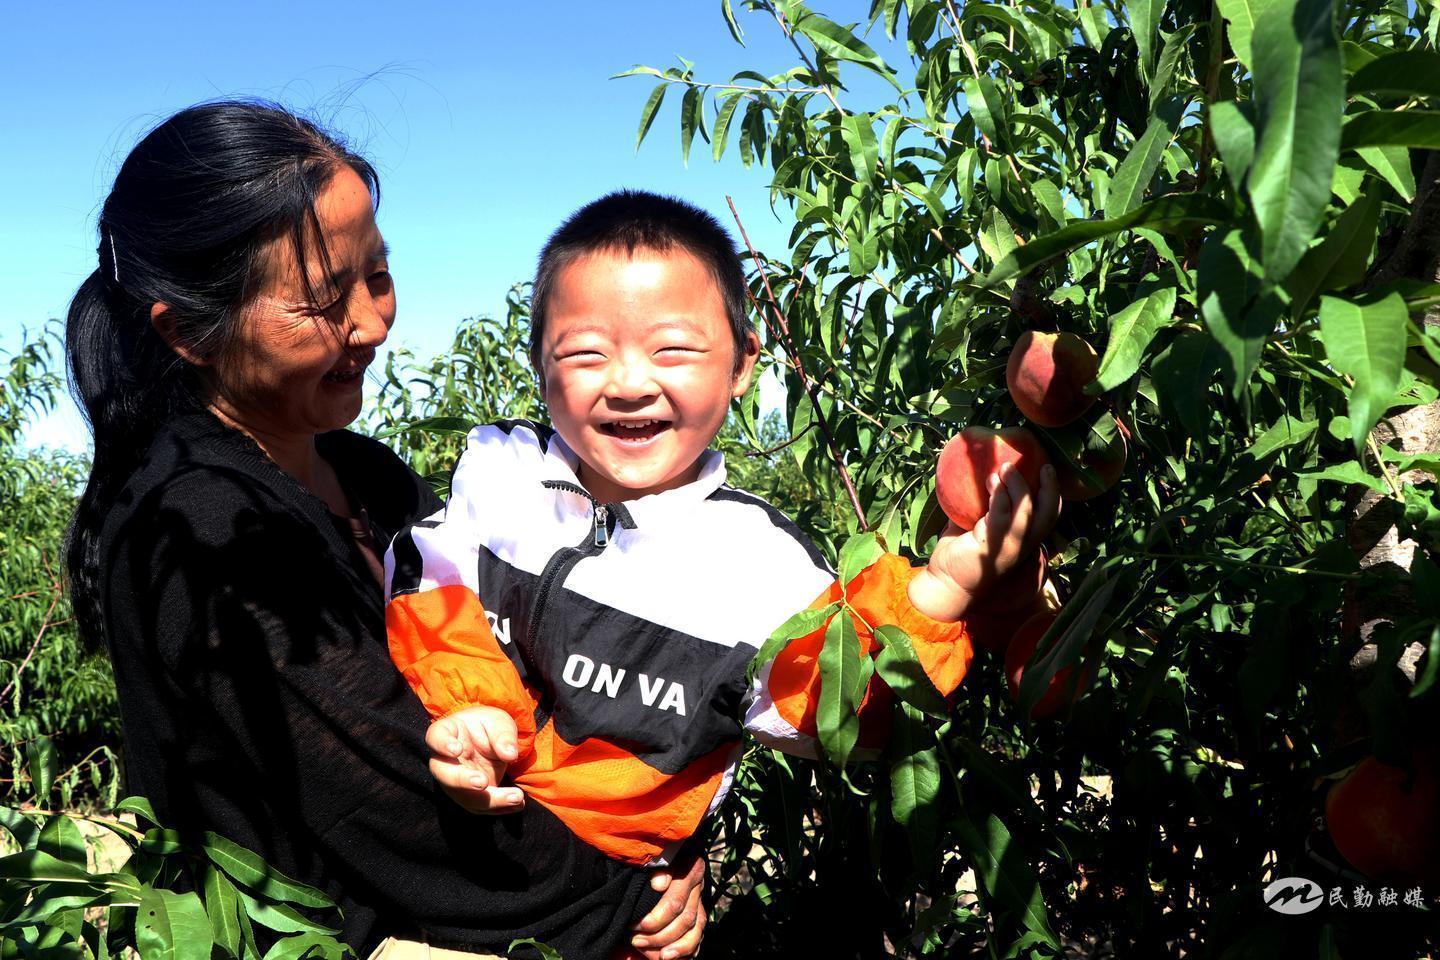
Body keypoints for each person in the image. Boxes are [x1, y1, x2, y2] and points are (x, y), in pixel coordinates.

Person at [64, 101, 705, 959]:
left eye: (377, 273)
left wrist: (656, 845)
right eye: (326, 300)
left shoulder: (364, 476)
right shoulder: (207, 534)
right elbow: (397, 811)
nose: (371, 322)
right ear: (187, 334)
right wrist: (632, 892)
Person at [384, 191, 1062, 960]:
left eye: (673, 349)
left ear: (743, 364)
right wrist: (472, 710)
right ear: (537, 359)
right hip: (433, 878)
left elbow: (846, 714)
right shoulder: (498, 474)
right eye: (583, 353)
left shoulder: (758, 566)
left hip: (610, 916)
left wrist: (945, 587)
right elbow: (425, 586)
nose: (630, 382)